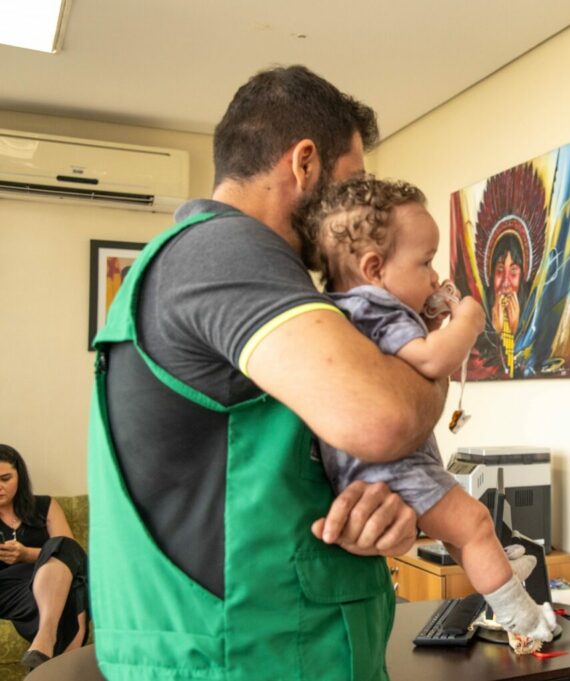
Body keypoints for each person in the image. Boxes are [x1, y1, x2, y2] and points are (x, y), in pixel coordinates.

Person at [87, 66, 447, 681]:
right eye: (353, 185)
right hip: (249, 658)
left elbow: (274, 459)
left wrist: (386, 502)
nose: (362, 214)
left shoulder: (214, 268)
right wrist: (438, 359)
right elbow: (383, 417)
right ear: (304, 163)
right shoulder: (225, 252)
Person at [296, 176, 557, 642]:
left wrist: (429, 321)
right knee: (475, 522)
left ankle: (492, 565)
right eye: (426, 261)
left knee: (463, 530)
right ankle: (522, 614)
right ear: (375, 269)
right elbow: (434, 359)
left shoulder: (346, 309)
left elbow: (410, 358)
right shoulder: (379, 310)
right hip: (393, 466)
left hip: (369, 466)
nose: (436, 276)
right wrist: (470, 321)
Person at [0, 445, 88, 672]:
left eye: (5, 478)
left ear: (20, 475)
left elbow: (70, 554)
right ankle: (60, 665)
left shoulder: (45, 506)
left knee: (64, 551)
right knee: (73, 588)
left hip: (48, 581)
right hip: (7, 589)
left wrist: (26, 554)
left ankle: (44, 645)